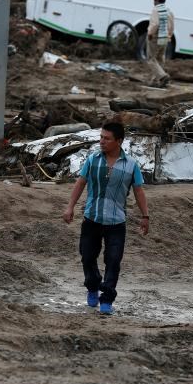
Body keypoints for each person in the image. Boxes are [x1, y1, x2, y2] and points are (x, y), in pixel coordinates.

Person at [63, 122, 150, 315]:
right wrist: (70, 207)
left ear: (119, 141)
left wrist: (145, 215)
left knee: (113, 261)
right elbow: (80, 183)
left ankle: (107, 299)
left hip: (116, 222)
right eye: (101, 137)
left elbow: (138, 191)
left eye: (107, 138)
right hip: (91, 218)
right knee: (87, 256)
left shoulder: (131, 165)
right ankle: (93, 286)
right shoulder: (92, 160)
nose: (102, 141)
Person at [146, 0, 174, 87]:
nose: (153, 2)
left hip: (156, 37)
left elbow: (155, 24)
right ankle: (155, 81)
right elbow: (171, 25)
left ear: (157, 0)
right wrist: (169, 35)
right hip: (165, 37)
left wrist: (150, 33)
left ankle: (162, 76)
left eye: (154, 0)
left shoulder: (156, 10)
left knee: (151, 59)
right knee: (160, 58)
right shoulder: (168, 10)